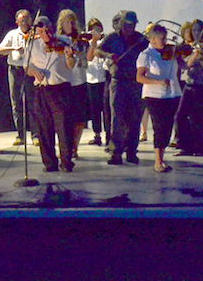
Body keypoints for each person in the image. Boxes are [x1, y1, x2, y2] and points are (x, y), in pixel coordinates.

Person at [25, 15, 75, 173]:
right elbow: (26, 67)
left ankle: (66, 162)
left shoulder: (64, 41)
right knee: (44, 128)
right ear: (37, 32)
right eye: (42, 31)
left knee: (64, 127)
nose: (46, 34)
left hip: (61, 89)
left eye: (48, 30)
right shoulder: (32, 45)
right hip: (42, 90)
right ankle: (49, 163)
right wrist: (33, 71)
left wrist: (69, 56)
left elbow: (71, 66)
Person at [97, 11, 147, 166]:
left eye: (132, 25)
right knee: (117, 118)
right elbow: (98, 51)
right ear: (121, 24)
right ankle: (115, 153)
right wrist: (108, 55)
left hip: (135, 82)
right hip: (118, 81)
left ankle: (132, 151)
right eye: (126, 25)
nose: (129, 28)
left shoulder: (140, 39)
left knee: (134, 118)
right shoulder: (112, 37)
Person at [136, 24, 183, 172]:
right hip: (154, 96)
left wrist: (196, 54)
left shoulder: (170, 52)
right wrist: (158, 82)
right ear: (153, 39)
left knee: (168, 127)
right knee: (159, 127)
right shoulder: (145, 55)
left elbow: (185, 65)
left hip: (172, 94)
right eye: (162, 38)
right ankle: (157, 161)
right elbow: (139, 77)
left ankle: (162, 158)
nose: (165, 41)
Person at [0, 9, 36, 146]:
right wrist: (14, 48)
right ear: (17, 22)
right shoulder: (12, 34)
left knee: (32, 103)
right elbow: (0, 50)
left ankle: (35, 135)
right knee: (16, 103)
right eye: (22, 20)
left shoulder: (35, 34)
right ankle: (20, 135)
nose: (25, 22)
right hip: (15, 70)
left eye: (27, 19)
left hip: (30, 71)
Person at [174, 20, 203, 156]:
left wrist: (200, 57)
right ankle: (186, 146)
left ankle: (202, 147)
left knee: (198, 116)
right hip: (189, 83)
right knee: (181, 115)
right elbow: (186, 66)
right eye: (193, 30)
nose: (195, 33)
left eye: (198, 30)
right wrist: (178, 57)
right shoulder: (190, 47)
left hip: (201, 85)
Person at [56, 9, 89, 157]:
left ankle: (75, 147)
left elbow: (88, 59)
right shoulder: (59, 40)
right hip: (65, 82)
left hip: (80, 81)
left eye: (72, 21)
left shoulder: (80, 40)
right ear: (61, 24)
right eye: (67, 22)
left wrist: (92, 43)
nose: (70, 24)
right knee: (66, 120)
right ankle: (66, 148)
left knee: (80, 119)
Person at [85, 18, 107, 146]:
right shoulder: (87, 42)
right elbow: (89, 58)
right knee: (94, 110)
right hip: (91, 79)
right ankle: (97, 135)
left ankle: (109, 136)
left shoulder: (105, 41)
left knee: (106, 109)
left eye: (98, 29)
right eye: (93, 29)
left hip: (104, 78)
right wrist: (93, 42)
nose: (96, 31)